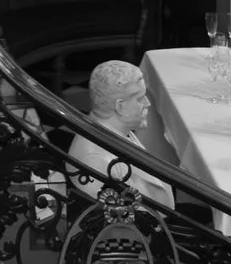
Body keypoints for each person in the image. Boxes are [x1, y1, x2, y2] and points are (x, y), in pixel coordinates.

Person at [67, 61, 175, 208]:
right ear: (120, 106)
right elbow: (121, 221)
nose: (147, 103)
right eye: (139, 98)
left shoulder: (117, 131)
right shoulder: (97, 161)